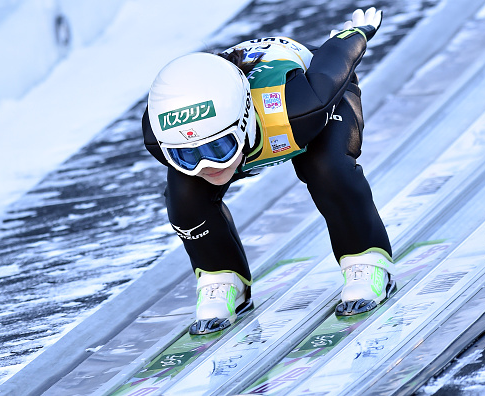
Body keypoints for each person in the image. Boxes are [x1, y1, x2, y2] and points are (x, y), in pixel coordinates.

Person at [142, 8, 395, 335]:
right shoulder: (159, 135)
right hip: (251, 114)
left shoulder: (302, 106)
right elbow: (191, 154)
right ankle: (222, 278)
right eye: (186, 155)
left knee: (328, 169)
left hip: (316, 93)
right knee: (184, 197)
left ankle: (366, 259)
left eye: (218, 149)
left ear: (245, 121)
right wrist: (203, 157)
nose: (207, 167)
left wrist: (354, 34)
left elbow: (334, 62)